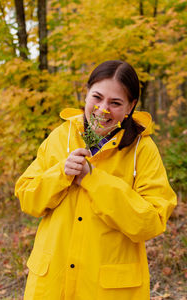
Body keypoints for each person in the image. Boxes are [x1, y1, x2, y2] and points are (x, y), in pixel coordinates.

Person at [15, 60, 177, 300]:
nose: (103, 109)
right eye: (97, 97)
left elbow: (151, 222)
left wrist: (94, 180)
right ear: (86, 94)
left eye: (115, 103)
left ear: (131, 106)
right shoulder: (62, 136)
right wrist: (61, 173)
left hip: (109, 291)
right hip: (51, 286)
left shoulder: (142, 150)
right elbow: (28, 199)